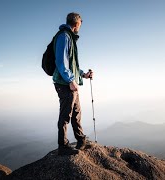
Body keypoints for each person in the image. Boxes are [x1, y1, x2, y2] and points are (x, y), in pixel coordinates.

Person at [52, 12, 94, 155]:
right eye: (80, 24)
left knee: (76, 113)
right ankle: (62, 147)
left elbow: (72, 65)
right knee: (65, 115)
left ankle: (81, 140)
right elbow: (61, 62)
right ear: (76, 24)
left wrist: (83, 75)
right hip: (64, 84)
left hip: (69, 82)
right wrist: (70, 80)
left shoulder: (69, 37)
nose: (80, 27)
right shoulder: (64, 36)